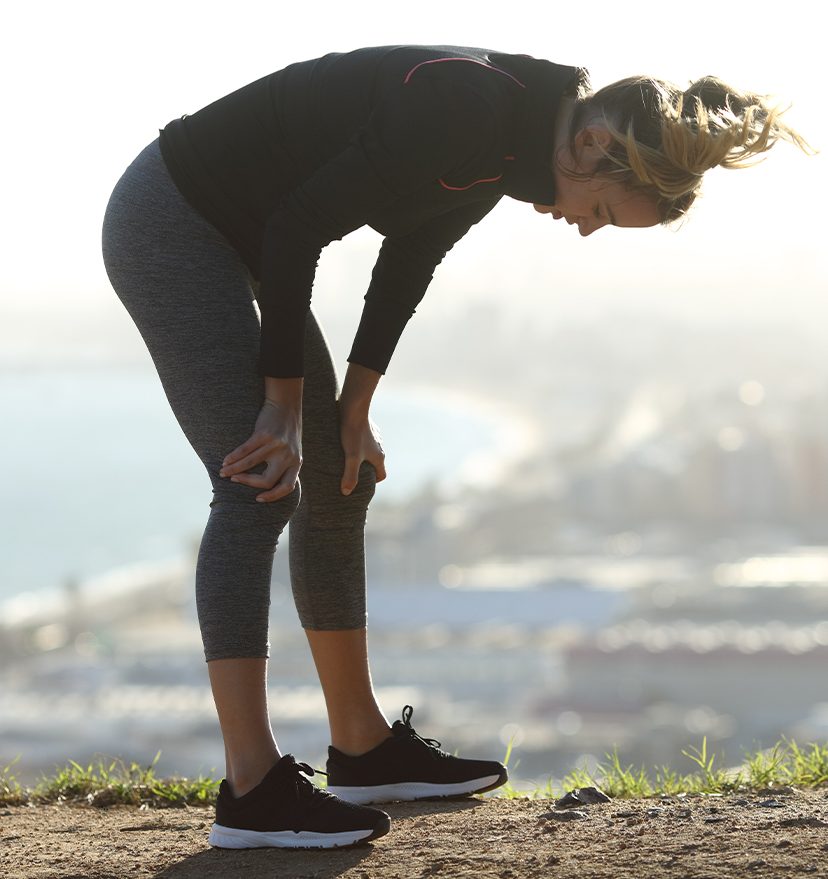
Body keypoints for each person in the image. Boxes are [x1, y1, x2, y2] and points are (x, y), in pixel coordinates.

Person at [101, 44, 810, 850]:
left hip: (247, 235)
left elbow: (409, 260)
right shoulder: (464, 111)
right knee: (260, 480)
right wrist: (283, 406)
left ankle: (362, 747)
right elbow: (297, 227)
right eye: (605, 211)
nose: (585, 228)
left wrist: (354, 409)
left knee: (341, 474)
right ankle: (252, 788)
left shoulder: (511, 146)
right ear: (592, 146)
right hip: (173, 220)